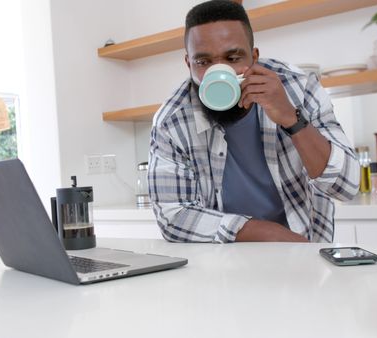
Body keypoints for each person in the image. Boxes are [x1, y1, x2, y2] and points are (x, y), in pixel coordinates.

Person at [147, 0, 359, 243]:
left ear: (254, 56)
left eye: (233, 57)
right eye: (203, 62)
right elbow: (173, 217)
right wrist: (273, 235)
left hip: (306, 253)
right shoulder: (171, 121)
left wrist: (292, 118)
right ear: (188, 63)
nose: (219, 72)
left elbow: (346, 186)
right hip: (223, 260)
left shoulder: (298, 88)